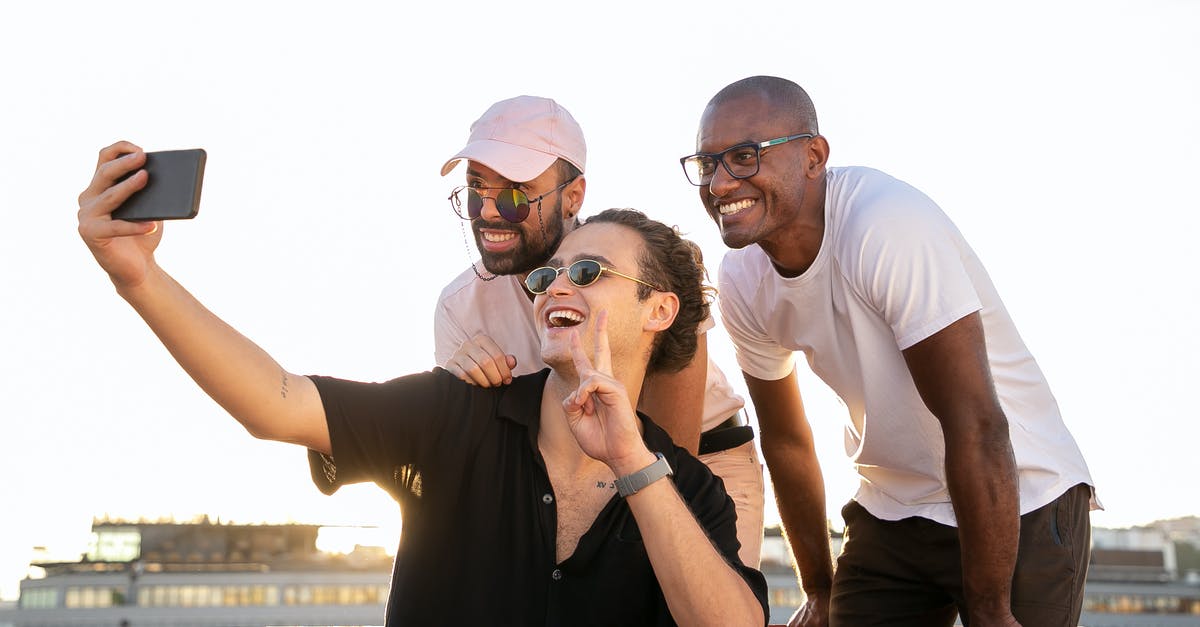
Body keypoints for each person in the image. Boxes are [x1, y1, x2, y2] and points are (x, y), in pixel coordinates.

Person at [77, 153, 768, 626]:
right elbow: (275, 399)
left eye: (588, 273)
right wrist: (138, 277)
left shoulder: (688, 491)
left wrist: (631, 462)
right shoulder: (453, 415)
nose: (556, 283)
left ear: (659, 309)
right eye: (546, 275)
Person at [680, 75, 1098, 627]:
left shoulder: (885, 224)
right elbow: (786, 441)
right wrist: (822, 589)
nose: (720, 183)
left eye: (744, 156)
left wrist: (992, 610)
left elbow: (974, 423)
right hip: (895, 506)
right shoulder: (742, 279)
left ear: (813, 156)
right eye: (708, 164)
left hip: (1020, 495)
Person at [434, 95, 765, 567]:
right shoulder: (459, 306)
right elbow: (470, 460)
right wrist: (460, 385)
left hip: (699, 461)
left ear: (573, 196)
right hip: (559, 477)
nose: (488, 212)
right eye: (476, 188)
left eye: (514, 193)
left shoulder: (642, 263)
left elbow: (676, 453)